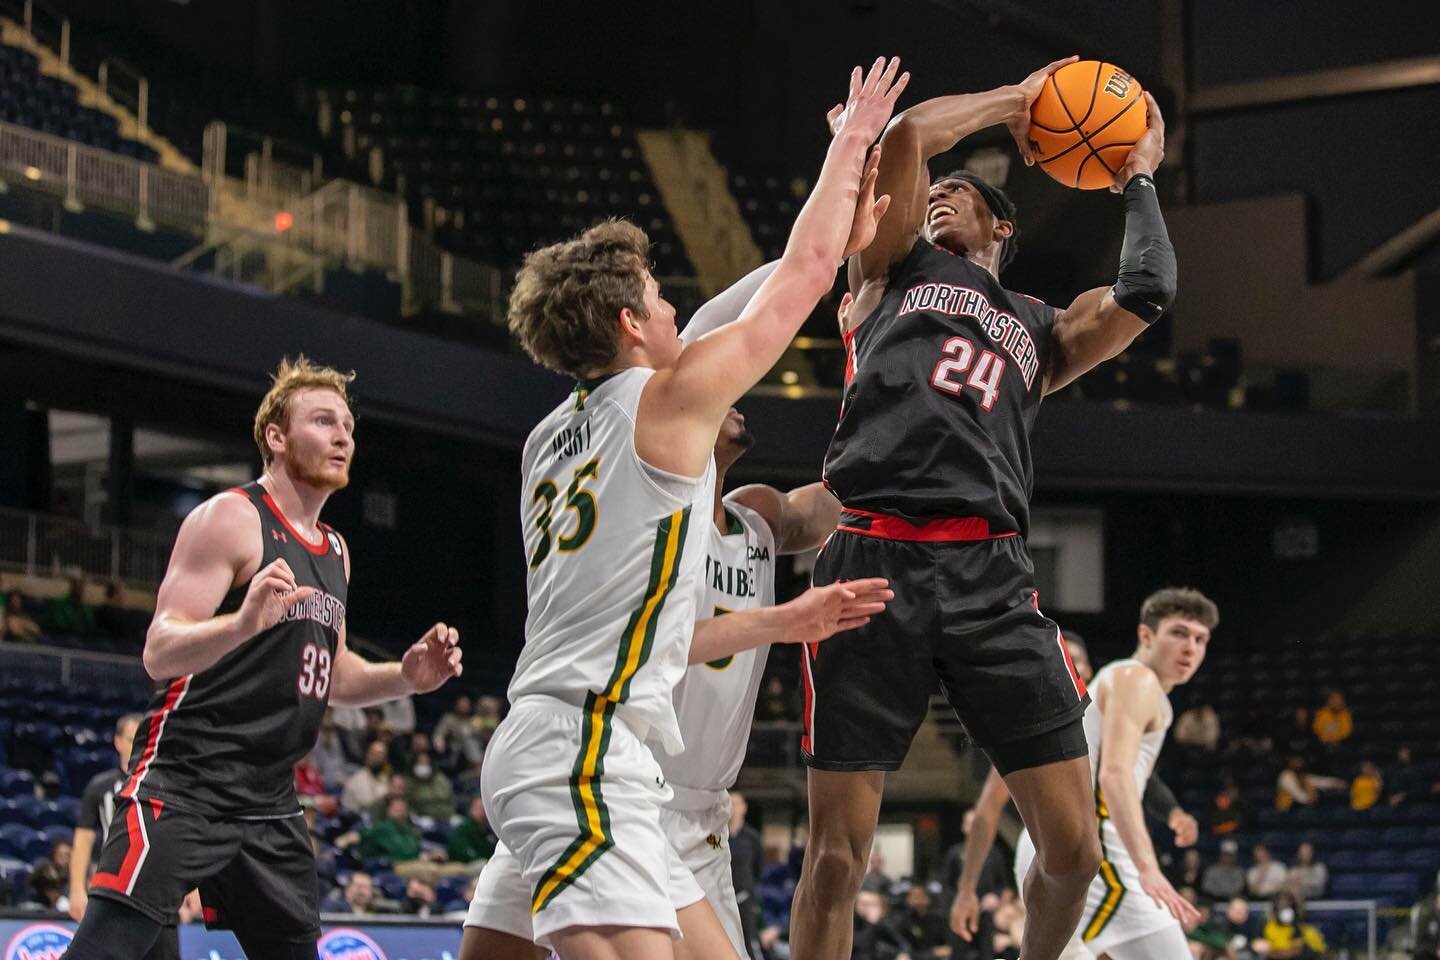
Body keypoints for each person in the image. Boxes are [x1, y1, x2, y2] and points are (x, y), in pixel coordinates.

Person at [467, 57, 906, 960]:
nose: (677, 311)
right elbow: (808, 273)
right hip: (587, 751)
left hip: (573, 750)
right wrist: (854, 143)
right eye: (660, 299)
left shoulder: (551, 433)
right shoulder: (663, 406)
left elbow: (735, 304)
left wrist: (825, 223)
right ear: (631, 325)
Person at [793, 52, 1176, 960]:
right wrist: (1023, 102)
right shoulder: (887, 264)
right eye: (931, 192)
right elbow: (910, 134)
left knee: (1074, 850)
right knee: (837, 859)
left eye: (958, 194)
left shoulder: (1043, 327)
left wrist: (1139, 177)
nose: (935, 197)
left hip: (990, 575)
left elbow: (1148, 291)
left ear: (1002, 224)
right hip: (870, 560)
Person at [462, 300, 881, 959]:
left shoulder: (757, 519)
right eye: (724, 393)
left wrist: (893, 391)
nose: (736, 398)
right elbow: (660, 640)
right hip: (616, 772)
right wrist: (784, 622)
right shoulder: (646, 505)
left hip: (684, 801)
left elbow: (848, 497)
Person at [64, 356, 464, 960]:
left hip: (269, 796)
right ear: (276, 438)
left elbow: (336, 676)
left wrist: (407, 677)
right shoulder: (231, 517)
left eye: (348, 427)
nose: (342, 436)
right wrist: (243, 623)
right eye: (324, 421)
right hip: (186, 777)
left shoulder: (337, 551)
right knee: (103, 952)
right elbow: (158, 650)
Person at [954, 590, 1214, 959]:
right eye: (1179, 633)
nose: (1190, 647)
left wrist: (1171, 811)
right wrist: (1148, 867)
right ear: (1146, 635)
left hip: (1049, 845)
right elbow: (1115, 775)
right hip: (1091, 851)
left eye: (1200, 639)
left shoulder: (1109, 692)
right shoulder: (1135, 679)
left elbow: (1130, 773)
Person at [727, 793, 765, 959]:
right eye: (730, 804)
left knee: (750, 941)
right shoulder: (717, 836)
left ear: (744, 808)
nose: (733, 808)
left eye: (736, 804)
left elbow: (758, 867)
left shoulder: (752, 837)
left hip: (745, 897)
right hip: (723, 895)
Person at [1258, 892, 1325, 959]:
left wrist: (1275, 954)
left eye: (1288, 904)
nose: (1285, 908)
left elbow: (1295, 951)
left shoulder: (1297, 926)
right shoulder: (1267, 926)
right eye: (1281, 905)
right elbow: (1259, 947)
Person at [1276, 755, 1345, 811]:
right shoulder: (1286, 776)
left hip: (1300, 808)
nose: (1298, 763)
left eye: (1299, 760)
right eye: (1295, 761)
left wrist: (1336, 782)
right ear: (1289, 763)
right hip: (1285, 812)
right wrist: (1308, 799)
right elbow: (1296, 792)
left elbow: (1320, 781)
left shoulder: (1303, 776)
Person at [448, 795, 499, 867]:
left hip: (486, 862)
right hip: (464, 865)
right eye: (479, 808)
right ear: (471, 809)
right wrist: (476, 857)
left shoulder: (489, 829)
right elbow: (459, 850)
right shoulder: (464, 827)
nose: (482, 812)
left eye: (484, 808)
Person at [342, 740, 391, 812]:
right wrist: (389, 793)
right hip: (356, 818)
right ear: (367, 756)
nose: (377, 758)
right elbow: (368, 805)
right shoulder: (358, 778)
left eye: (381, 755)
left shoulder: (383, 776)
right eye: (374, 754)